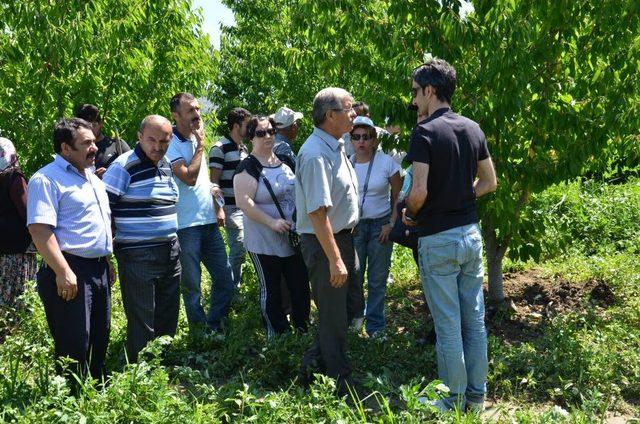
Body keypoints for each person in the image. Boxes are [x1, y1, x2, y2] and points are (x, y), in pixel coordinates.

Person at [403, 59, 497, 412]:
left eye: (415, 92)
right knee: (474, 321)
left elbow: (419, 192)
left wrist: (409, 214)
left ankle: (451, 399)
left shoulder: (425, 133)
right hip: (470, 235)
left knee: (447, 326)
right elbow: (490, 182)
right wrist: (461, 196)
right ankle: (476, 400)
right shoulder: (473, 128)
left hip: (438, 238)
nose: (413, 101)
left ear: (430, 90)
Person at [27, 118, 113, 381]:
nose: (94, 148)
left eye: (94, 142)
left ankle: (96, 392)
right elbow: (40, 230)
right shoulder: (46, 179)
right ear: (66, 148)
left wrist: (108, 262)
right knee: (74, 341)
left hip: (97, 268)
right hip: (69, 269)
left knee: (100, 335)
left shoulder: (93, 179)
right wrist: (63, 271)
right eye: (86, 143)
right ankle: (70, 402)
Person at [295, 87, 360, 396]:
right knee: (334, 317)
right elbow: (318, 213)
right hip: (326, 243)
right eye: (349, 109)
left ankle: (308, 368)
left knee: (347, 308)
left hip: (342, 239)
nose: (355, 113)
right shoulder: (315, 154)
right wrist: (335, 258)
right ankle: (339, 382)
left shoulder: (334, 146)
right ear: (330, 115)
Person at [102, 115, 180, 362]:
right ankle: (139, 371)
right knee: (142, 318)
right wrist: (107, 253)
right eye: (152, 140)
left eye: (164, 141)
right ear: (139, 137)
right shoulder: (123, 166)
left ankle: (161, 366)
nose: (158, 146)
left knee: (168, 313)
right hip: (138, 254)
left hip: (170, 250)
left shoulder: (166, 163)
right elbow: (104, 212)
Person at [234, 116, 310, 339]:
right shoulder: (247, 168)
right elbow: (244, 202)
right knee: (272, 288)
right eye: (260, 133)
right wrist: (272, 222)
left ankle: (302, 329)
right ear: (250, 138)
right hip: (263, 240)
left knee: (300, 286)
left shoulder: (285, 162)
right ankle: (276, 334)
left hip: (291, 238)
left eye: (271, 131)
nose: (267, 136)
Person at [167, 92, 235, 334]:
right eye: (190, 111)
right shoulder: (170, 143)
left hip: (207, 221)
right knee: (192, 285)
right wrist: (200, 147)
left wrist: (217, 207)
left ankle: (214, 325)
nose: (197, 114)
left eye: (197, 109)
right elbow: (188, 177)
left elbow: (205, 181)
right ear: (176, 116)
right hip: (185, 225)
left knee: (225, 278)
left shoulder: (198, 138)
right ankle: (198, 334)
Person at [349, 116, 402, 338]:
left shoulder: (386, 162)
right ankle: (355, 319)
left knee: (377, 279)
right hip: (355, 227)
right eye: (357, 137)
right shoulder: (347, 162)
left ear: (374, 139)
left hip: (380, 226)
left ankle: (376, 326)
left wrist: (391, 223)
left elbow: (399, 196)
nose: (361, 141)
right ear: (351, 139)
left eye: (366, 137)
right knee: (354, 276)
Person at [209, 107, 252, 287]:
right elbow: (214, 182)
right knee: (239, 246)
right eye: (246, 125)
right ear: (236, 126)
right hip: (230, 207)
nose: (250, 129)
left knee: (243, 247)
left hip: (245, 206)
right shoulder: (219, 148)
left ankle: (236, 286)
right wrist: (219, 209)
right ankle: (231, 287)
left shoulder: (243, 148)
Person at [0, 138, 37, 319]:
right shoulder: (13, 177)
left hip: (3, 249)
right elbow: (28, 212)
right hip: (17, 251)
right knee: (18, 301)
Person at [75, 104, 130, 178]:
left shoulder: (117, 145)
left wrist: (111, 173)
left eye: (93, 125)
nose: (89, 130)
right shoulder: (75, 149)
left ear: (101, 123)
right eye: (85, 126)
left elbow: (134, 171)